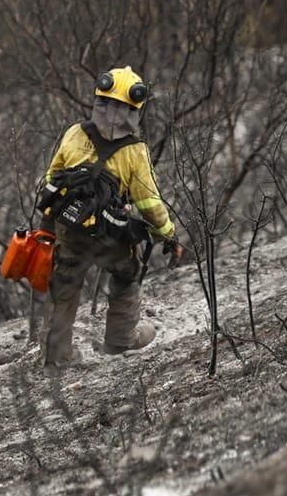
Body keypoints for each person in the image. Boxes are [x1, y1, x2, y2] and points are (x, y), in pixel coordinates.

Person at [40, 65, 185, 369]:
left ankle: (57, 356)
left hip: (69, 227)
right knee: (125, 275)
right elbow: (149, 203)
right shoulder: (135, 151)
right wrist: (167, 234)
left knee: (65, 286)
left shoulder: (75, 133)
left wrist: (49, 225)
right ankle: (120, 342)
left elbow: (51, 179)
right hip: (109, 236)